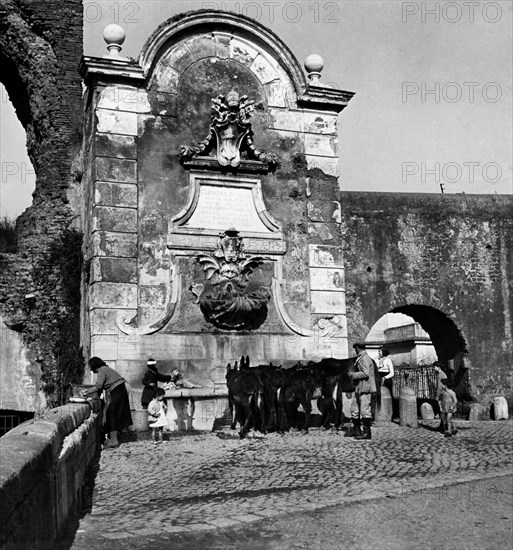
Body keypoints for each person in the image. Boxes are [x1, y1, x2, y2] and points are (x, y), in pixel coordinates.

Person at [82, 357, 132, 448]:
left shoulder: (102, 370)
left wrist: (85, 392)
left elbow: (98, 386)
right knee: (112, 412)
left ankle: (114, 441)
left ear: (94, 366)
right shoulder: (106, 369)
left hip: (118, 390)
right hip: (120, 389)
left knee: (112, 413)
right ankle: (113, 438)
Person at [346, 342, 377, 440]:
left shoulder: (365, 358)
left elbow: (366, 373)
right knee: (354, 409)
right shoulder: (361, 358)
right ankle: (357, 430)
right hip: (359, 387)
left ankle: (367, 433)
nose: (355, 351)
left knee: (364, 410)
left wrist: (353, 375)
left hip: (365, 388)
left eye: (355, 349)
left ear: (358, 348)